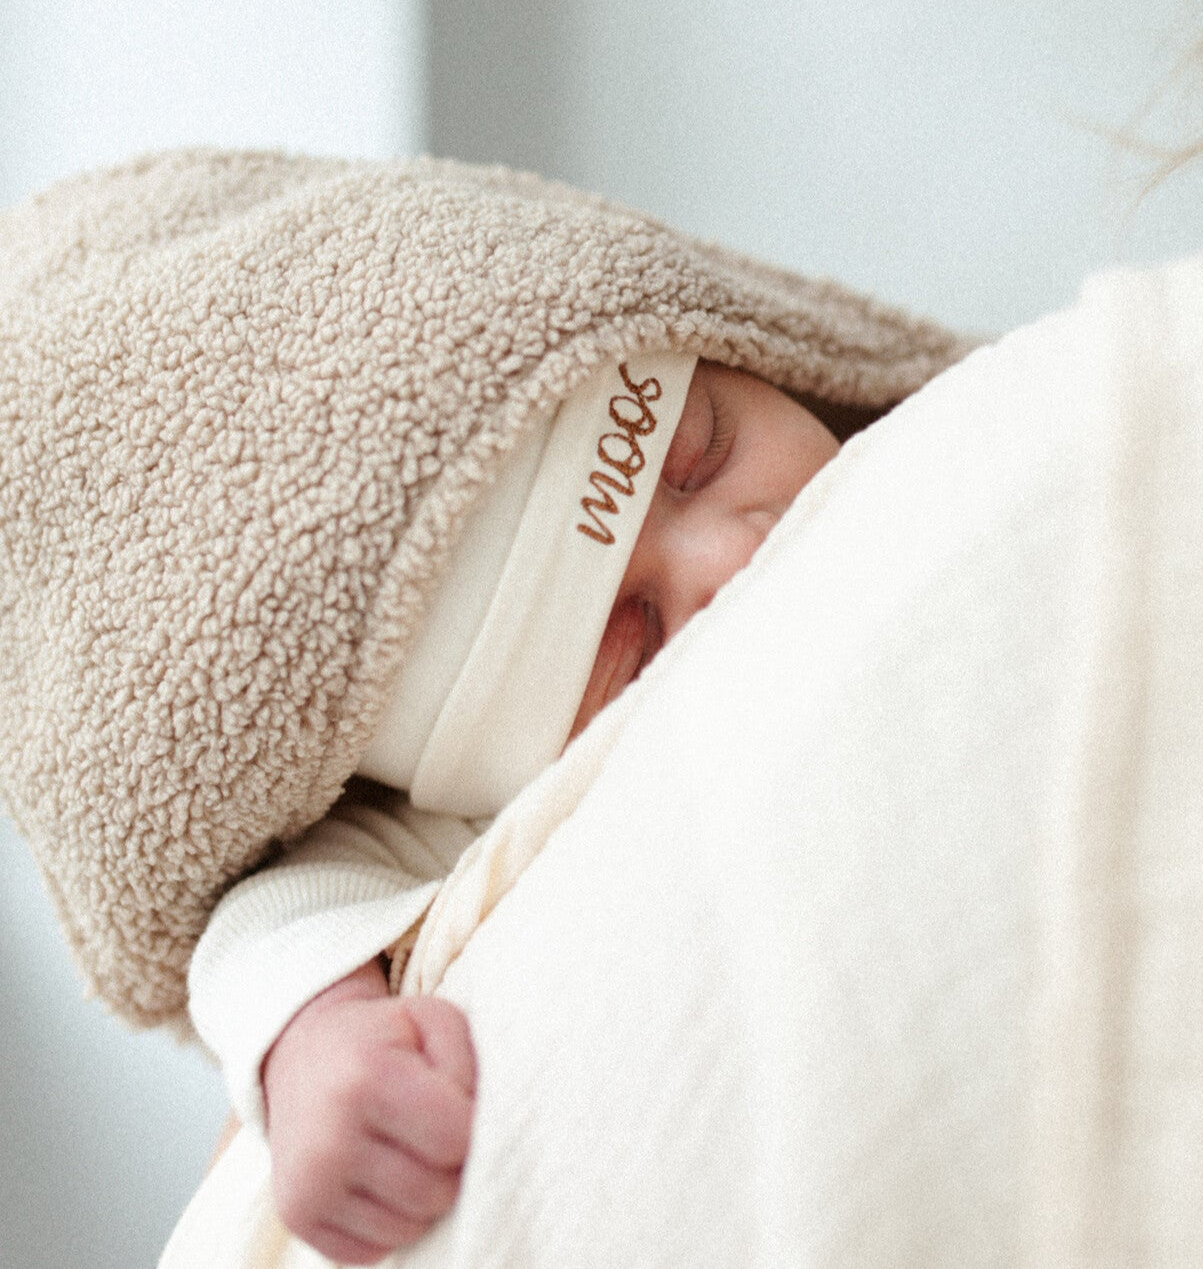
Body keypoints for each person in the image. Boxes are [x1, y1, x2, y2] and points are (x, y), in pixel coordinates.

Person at [196, 358, 844, 1265]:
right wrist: (317, 1043)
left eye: (703, 452)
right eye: (638, 639)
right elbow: (269, 920)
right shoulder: (498, 807)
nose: (733, 557)